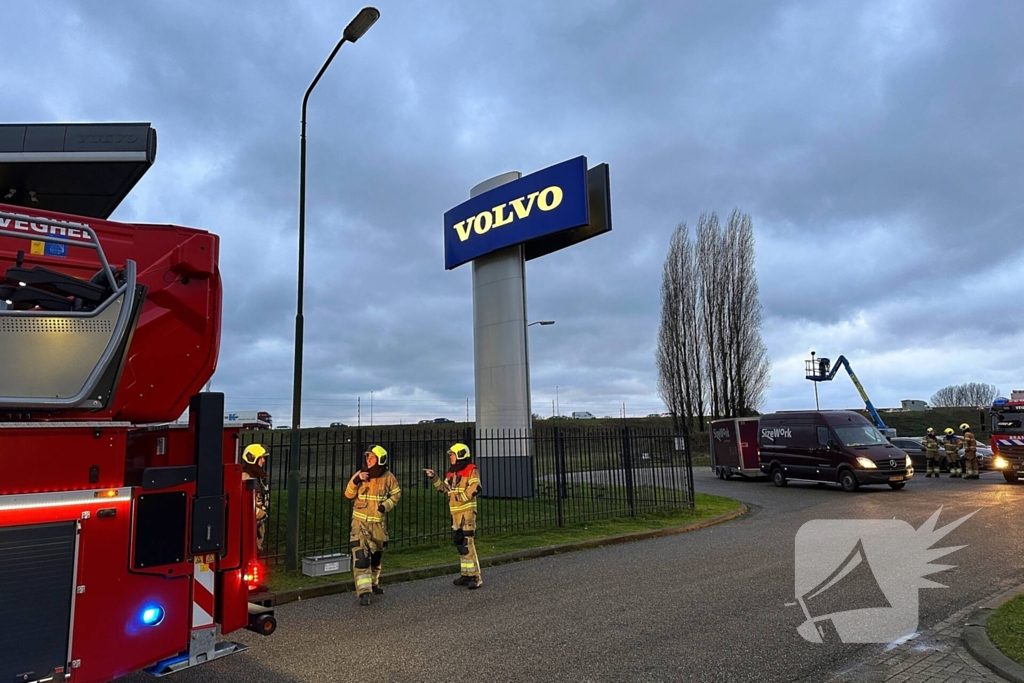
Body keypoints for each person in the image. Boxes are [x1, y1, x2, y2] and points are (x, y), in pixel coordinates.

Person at [345, 445, 401, 606]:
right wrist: (356, 480)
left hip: (378, 525)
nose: (368, 460)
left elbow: (396, 494)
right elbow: (348, 495)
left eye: (372, 457)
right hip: (359, 524)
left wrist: (386, 505)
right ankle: (364, 592)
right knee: (361, 558)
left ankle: (374, 583)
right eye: (367, 457)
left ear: (380, 459)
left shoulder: (388, 477)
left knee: (376, 557)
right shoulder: (360, 474)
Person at [425, 442, 483, 589]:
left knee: (467, 543)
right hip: (456, 513)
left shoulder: (471, 469)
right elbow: (444, 488)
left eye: (452, 455)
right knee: (460, 543)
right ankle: (466, 574)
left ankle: (476, 577)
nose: (450, 457)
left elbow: (476, 487)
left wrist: (460, 497)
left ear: (460, 455)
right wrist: (434, 477)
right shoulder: (452, 472)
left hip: (467, 512)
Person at [241, 444, 270, 553]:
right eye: (261, 458)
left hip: (257, 523)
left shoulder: (257, 476)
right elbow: (241, 502)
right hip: (248, 524)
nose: (263, 461)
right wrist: (257, 513)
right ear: (252, 458)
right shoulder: (245, 477)